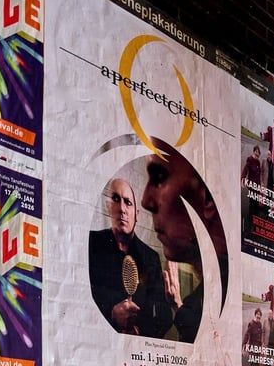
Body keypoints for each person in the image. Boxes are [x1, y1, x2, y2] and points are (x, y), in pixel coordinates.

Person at [141, 142, 230, 343]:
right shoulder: (204, 296)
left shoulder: (225, 296)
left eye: (160, 177)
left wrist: (178, 305)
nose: (146, 201)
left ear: (208, 198)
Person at [88, 178, 171, 337]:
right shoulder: (91, 244)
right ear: (108, 207)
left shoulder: (151, 258)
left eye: (128, 202)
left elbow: (164, 316)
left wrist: (141, 334)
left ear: (136, 214)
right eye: (116, 199)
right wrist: (111, 315)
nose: (122, 209)